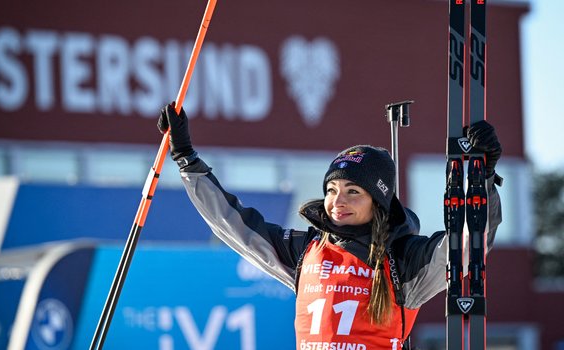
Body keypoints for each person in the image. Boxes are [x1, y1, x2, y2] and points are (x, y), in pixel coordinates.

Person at [157, 103, 503, 350]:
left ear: (378, 202)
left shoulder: (403, 258)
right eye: (332, 190)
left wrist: (482, 176)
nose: (338, 200)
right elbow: (232, 224)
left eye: (353, 192)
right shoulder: (306, 251)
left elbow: (467, 247)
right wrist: (186, 157)